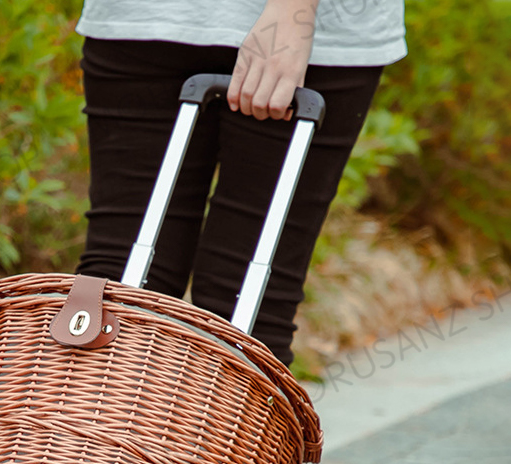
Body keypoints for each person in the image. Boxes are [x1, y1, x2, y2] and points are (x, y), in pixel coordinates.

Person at [74, 0, 406, 366]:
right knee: (118, 290)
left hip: (308, 34)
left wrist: (292, 12)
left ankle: (223, 424)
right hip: (144, 19)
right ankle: (94, 422)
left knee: (247, 304)